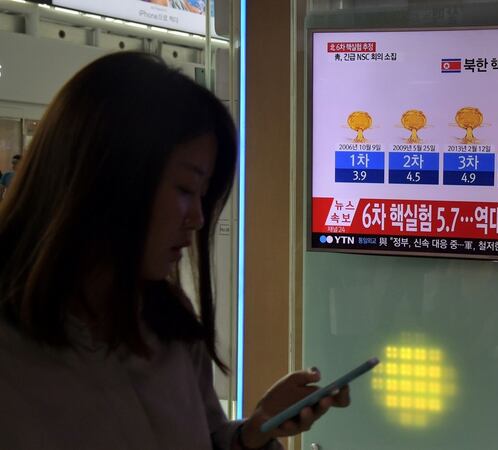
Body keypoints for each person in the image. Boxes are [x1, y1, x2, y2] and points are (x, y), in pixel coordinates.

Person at [0, 51, 349, 449]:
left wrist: (256, 430)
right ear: (107, 173)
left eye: (203, 195)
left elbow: (206, 437)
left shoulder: (167, 317)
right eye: (185, 189)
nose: (198, 218)